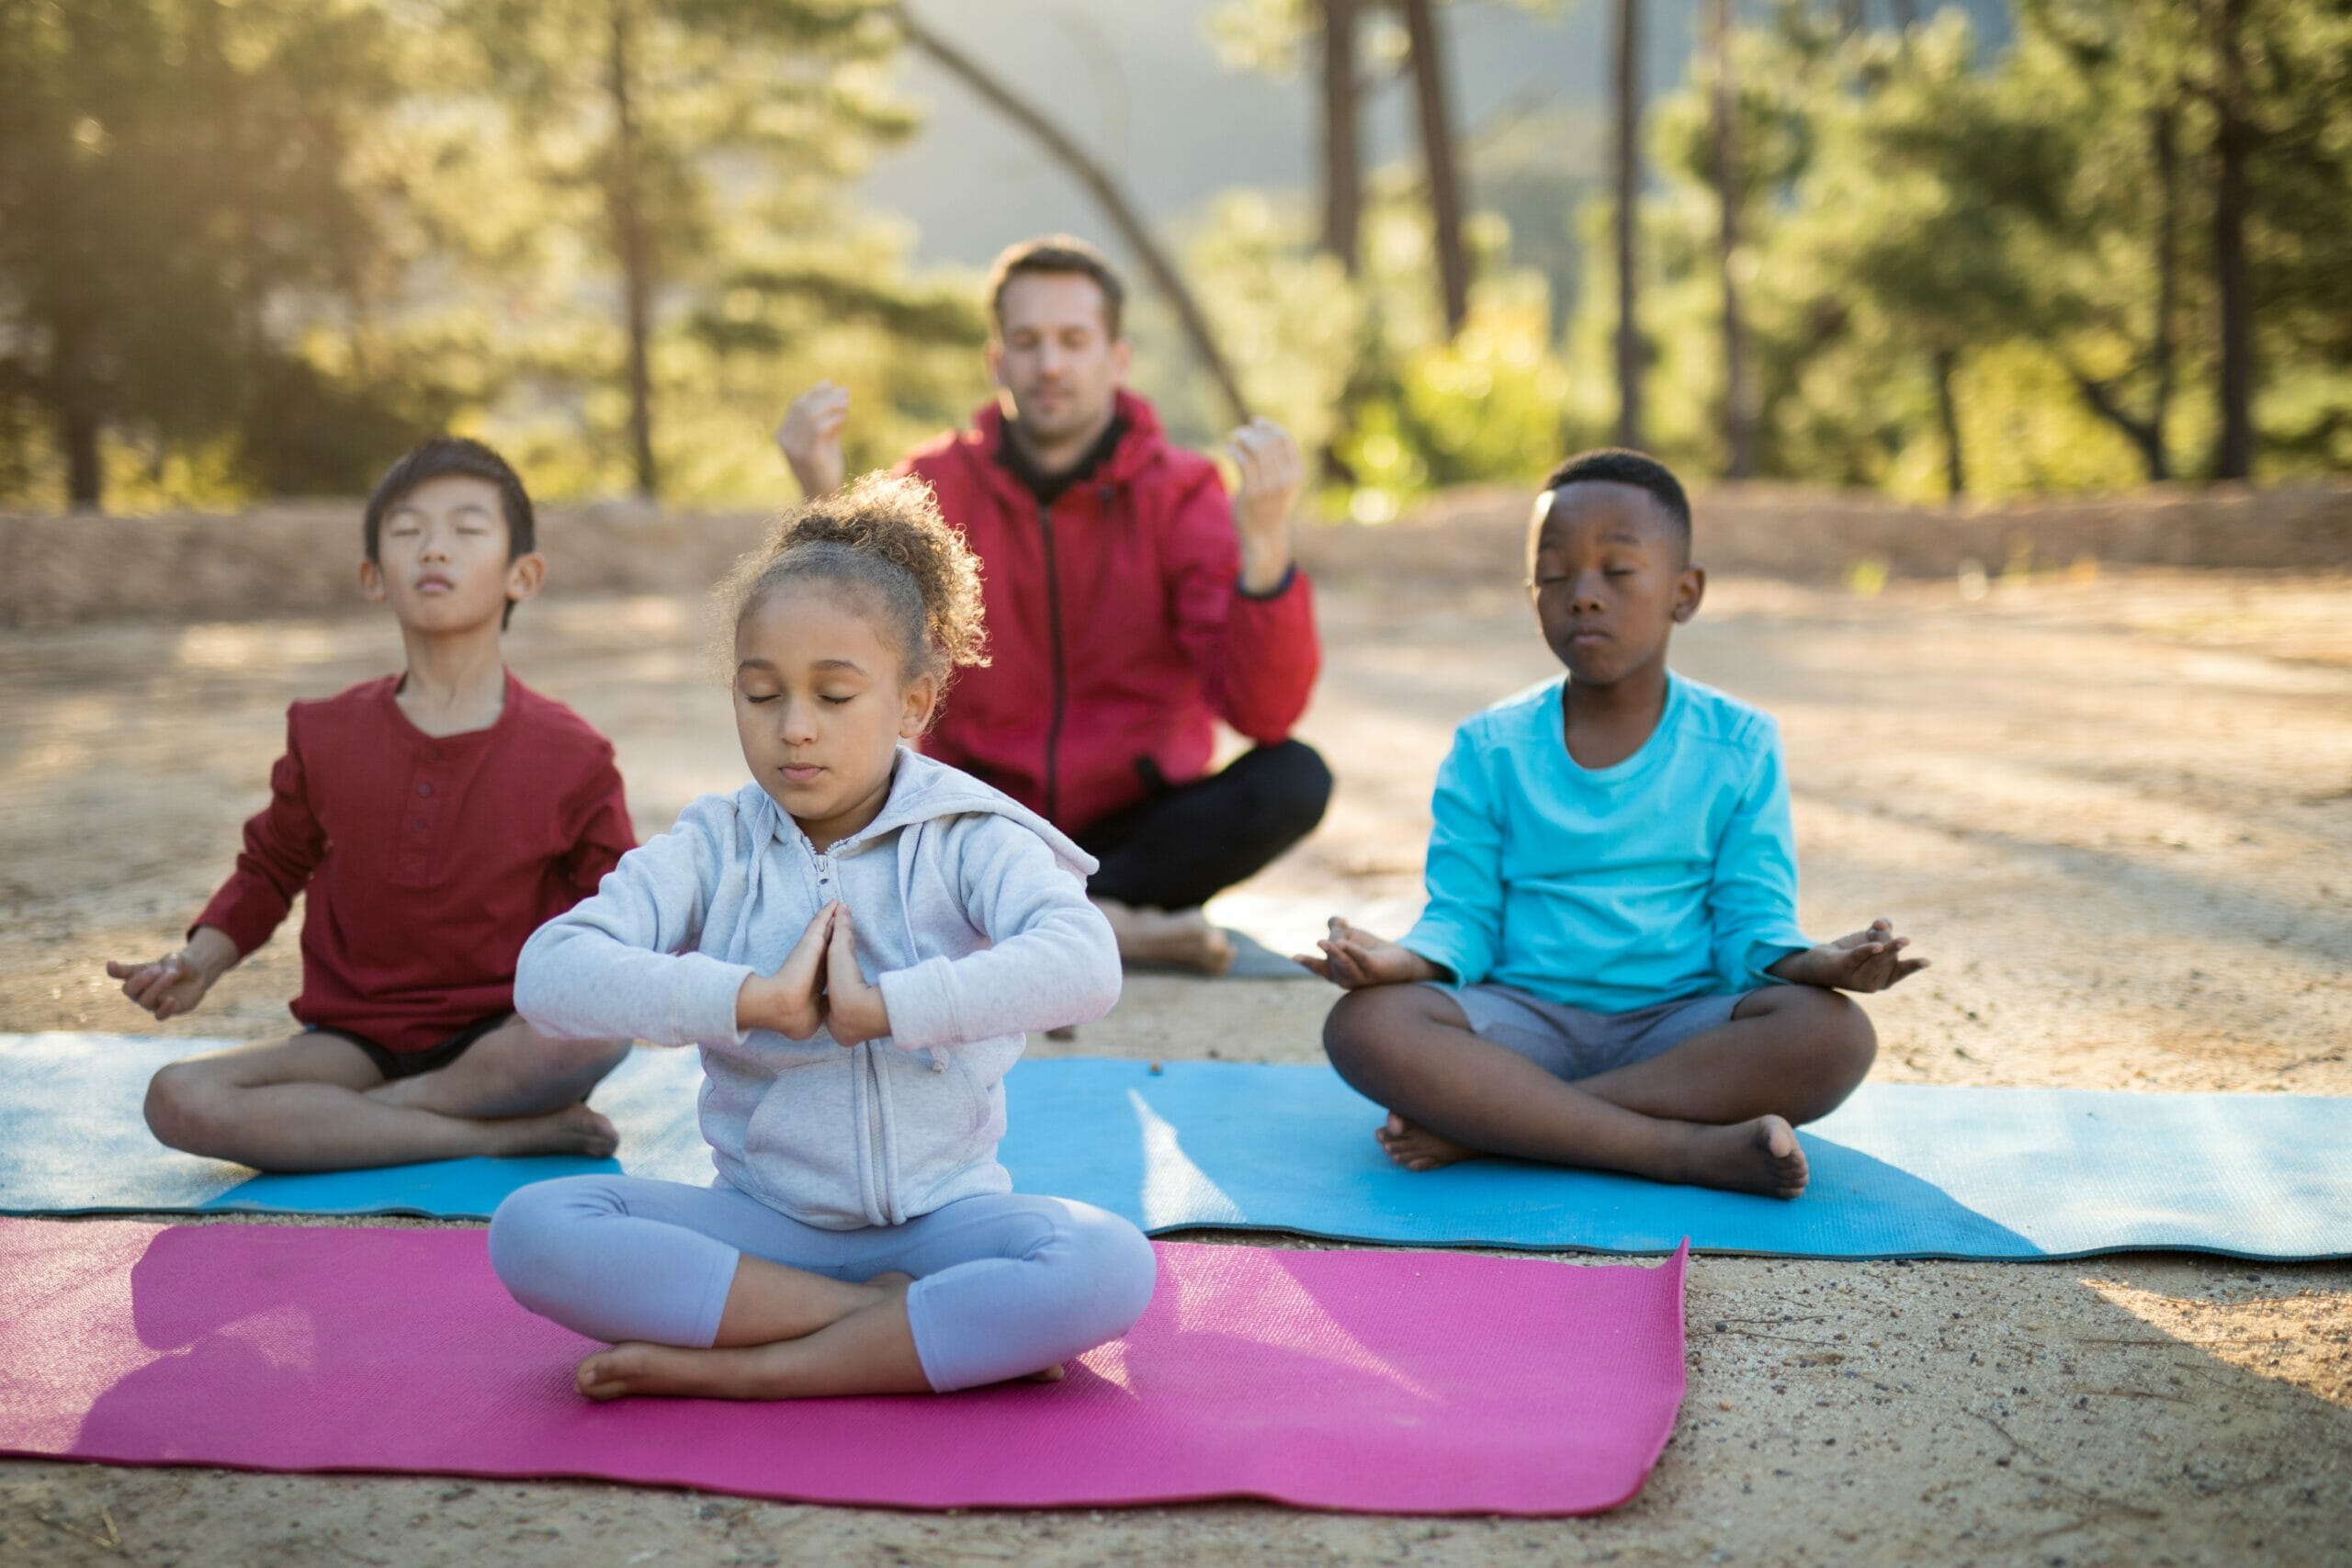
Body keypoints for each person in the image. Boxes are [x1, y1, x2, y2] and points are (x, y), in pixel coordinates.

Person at [487, 472, 1155, 1401]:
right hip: (764, 1228)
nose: (794, 730)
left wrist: (884, 1009)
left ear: (914, 702)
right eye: (761, 696)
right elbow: (549, 975)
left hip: (945, 1226)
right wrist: (748, 1001)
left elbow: (1085, 965)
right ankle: (885, 1331)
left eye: (835, 697)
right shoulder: (714, 844)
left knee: (1109, 1265)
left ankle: (759, 1370)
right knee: (531, 1229)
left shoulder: (970, 836)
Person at [1297, 450, 1928, 1199]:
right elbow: (1463, 919)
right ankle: (1681, 1151)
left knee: (1833, 1035)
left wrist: (1821, 964)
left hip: (1680, 1032)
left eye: (1617, 570)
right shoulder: (1488, 746)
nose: (1583, 595)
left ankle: (1500, 1127)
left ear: (1684, 592)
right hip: (1520, 1028)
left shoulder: (1739, 743)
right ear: (1532, 592)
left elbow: (1751, 922)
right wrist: (1400, 964)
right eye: (1556, 574)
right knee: (1365, 1026)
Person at [775, 235, 1329, 975]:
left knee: (1294, 777)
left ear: (1118, 358)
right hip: (981, 814)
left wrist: (1264, 551)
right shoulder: (932, 485)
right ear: (997, 361)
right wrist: (820, 497)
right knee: (833, 774)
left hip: (1136, 832)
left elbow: (1264, 712)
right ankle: (1102, 928)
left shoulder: (1183, 491)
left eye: (1074, 340)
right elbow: (852, 657)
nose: (1051, 364)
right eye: (1028, 342)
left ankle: (1039, 918)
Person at [103, 437, 636, 1170]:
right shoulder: (324, 731)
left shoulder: (573, 752)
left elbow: (620, 911)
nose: (434, 550)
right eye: (408, 531)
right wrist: (201, 959)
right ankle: (501, 1134)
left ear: (524, 574)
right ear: (373, 575)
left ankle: (335, 1130)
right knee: (176, 1097)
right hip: (351, 1045)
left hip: (507, 1036)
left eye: (467, 529)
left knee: (599, 1029)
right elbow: (270, 867)